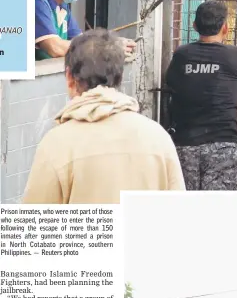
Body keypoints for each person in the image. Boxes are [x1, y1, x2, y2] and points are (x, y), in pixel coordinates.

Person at [23, 29, 185, 204]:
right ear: (119, 76)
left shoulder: (56, 144)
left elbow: (35, 224)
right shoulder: (158, 137)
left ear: (70, 77)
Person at [165, 0, 237, 190]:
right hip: (223, 145)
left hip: (185, 145)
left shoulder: (182, 55)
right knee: (217, 210)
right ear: (225, 28)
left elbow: (172, 83)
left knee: (186, 207)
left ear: (194, 26)